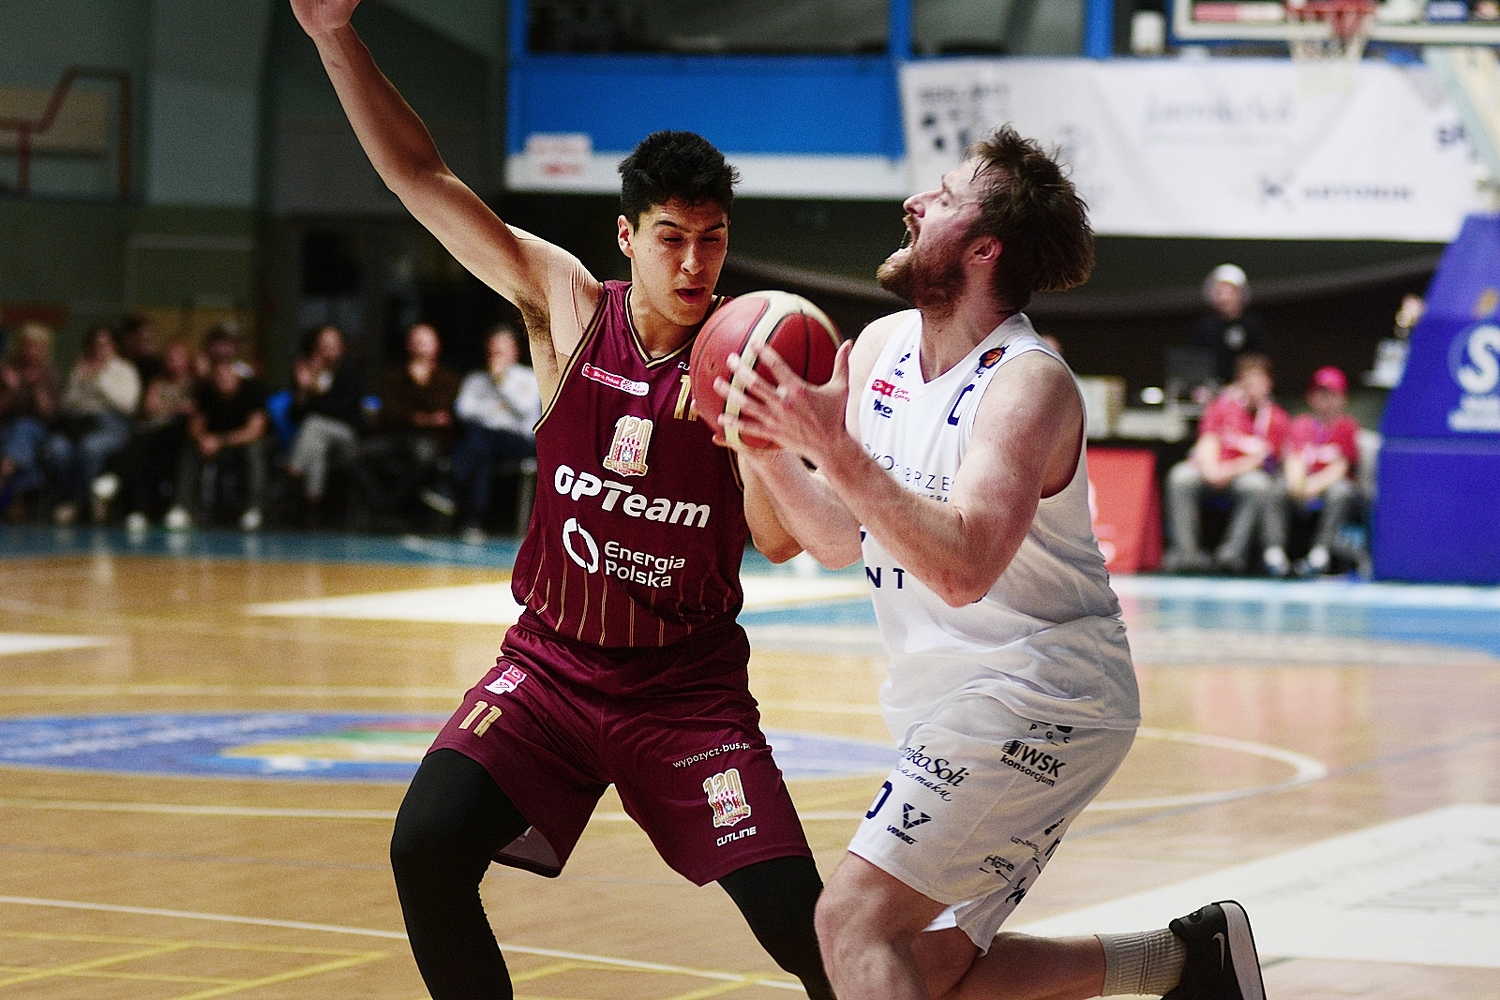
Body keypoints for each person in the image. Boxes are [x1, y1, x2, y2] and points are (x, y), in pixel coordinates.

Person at [291, 3, 833, 999]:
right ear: (627, 236)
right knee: (425, 846)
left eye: (712, 239)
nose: (694, 264)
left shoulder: (752, 355)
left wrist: (756, 437)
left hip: (685, 694)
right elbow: (420, 177)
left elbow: (778, 541)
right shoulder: (568, 308)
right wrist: (335, 39)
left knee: (810, 931)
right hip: (549, 671)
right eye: (671, 238)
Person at [712, 127, 1265, 1000]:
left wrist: (833, 449)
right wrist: (763, 442)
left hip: (1042, 694)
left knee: (851, 923)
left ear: (982, 248)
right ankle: (1187, 961)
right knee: (927, 974)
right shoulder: (881, 347)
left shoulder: (1028, 383)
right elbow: (828, 539)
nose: (913, 202)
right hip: (949, 699)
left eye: (941, 196)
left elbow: (964, 567)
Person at [1164, 354, 1289, 575]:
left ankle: (1231, 557)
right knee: (1180, 477)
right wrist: (1211, 470)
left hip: (1241, 474)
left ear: (1268, 384)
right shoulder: (1221, 407)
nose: (1252, 387)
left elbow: (1260, 461)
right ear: (1239, 383)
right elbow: (1208, 440)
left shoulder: (1276, 419)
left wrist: (1227, 471)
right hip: (1211, 469)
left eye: (1258, 381)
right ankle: (1187, 556)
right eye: (1248, 381)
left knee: (1257, 485)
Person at [352, 322, 460, 529]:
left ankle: (393, 508)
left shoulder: (448, 378)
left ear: (437, 346)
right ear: (408, 346)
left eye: (425, 342)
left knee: (424, 456)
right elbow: (390, 412)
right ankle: (382, 507)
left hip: (430, 439)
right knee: (356, 455)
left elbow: (445, 412)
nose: (420, 346)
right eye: (416, 341)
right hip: (395, 436)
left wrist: (417, 409)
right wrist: (424, 418)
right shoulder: (394, 376)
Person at [1266, 365, 1363, 577]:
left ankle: (1320, 554)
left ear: (1342, 398)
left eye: (1331, 394)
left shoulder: (1348, 427)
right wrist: (1298, 483)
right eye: (1320, 393)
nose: (1325, 399)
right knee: (1276, 488)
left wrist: (1313, 486)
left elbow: (1341, 467)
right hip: (1302, 483)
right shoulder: (1301, 424)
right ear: (1311, 396)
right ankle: (1274, 553)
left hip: (1329, 484)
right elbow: (1294, 458)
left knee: (1341, 492)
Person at [450, 323, 541, 542]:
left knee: (477, 439)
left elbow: (524, 410)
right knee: (480, 449)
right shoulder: (476, 379)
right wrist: (496, 410)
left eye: (500, 351)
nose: (495, 355)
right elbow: (462, 410)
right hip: (485, 442)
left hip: (519, 442)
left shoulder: (528, 377)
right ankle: (474, 522)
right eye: (492, 350)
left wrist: (501, 382)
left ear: (514, 351)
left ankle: (451, 489)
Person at [45, 324, 141, 524]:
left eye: (104, 344)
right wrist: (80, 378)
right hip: (76, 424)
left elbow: (127, 405)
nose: (99, 349)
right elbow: (66, 403)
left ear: (114, 346)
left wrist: (98, 380)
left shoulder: (124, 370)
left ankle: (79, 503)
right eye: (95, 344)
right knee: (56, 450)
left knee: (89, 449)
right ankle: (81, 500)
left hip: (111, 425)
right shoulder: (79, 368)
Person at [165, 356, 268, 532]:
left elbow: (254, 431)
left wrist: (220, 441)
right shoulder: (207, 392)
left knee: (254, 450)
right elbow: (195, 425)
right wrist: (203, 439)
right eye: (219, 375)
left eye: (228, 375)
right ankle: (182, 507)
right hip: (214, 444)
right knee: (191, 447)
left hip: (242, 443)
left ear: (237, 376)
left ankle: (254, 509)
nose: (223, 379)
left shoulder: (252, 391)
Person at [287, 324, 364, 522]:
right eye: (323, 345)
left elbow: (341, 410)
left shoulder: (350, 373)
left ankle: (293, 470)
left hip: (347, 435)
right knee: (316, 446)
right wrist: (303, 390)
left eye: (333, 344)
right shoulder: (309, 374)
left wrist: (314, 392)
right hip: (316, 437)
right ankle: (313, 502)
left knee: (313, 424)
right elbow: (294, 416)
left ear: (342, 347)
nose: (328, 350)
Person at [122, 341, 198, 531]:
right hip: (152, 434)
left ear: (187, 359)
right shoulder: (157, 381)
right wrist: (177, 407)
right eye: (169, 357)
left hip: (179, 438)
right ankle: (139, 509)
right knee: (140, 450)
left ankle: (180, 507)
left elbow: (192, 410)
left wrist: (165, 409)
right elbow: (148, 407)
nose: (172, 362)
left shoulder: (195, 383)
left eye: (177, 357)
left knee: (182, 450)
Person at [0, 322, 63, 520]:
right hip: (6, 429)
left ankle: (4, 472)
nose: (31, 351)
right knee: (19, 440)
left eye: (37, 347)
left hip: (40, 432)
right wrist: (11, 389)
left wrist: (38, 387)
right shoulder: (7, 372)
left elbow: (50, 415)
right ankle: (18, 501)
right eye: (27, 345)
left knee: (24, 429)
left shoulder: (51, 374)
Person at [1192, 265, 1269, 386]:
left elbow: (1261, 360)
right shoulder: (1205, 327)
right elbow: (1197, 362)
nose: (1225, 298)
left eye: (1230, 292)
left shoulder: (1252, 325)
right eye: (1220, 292)